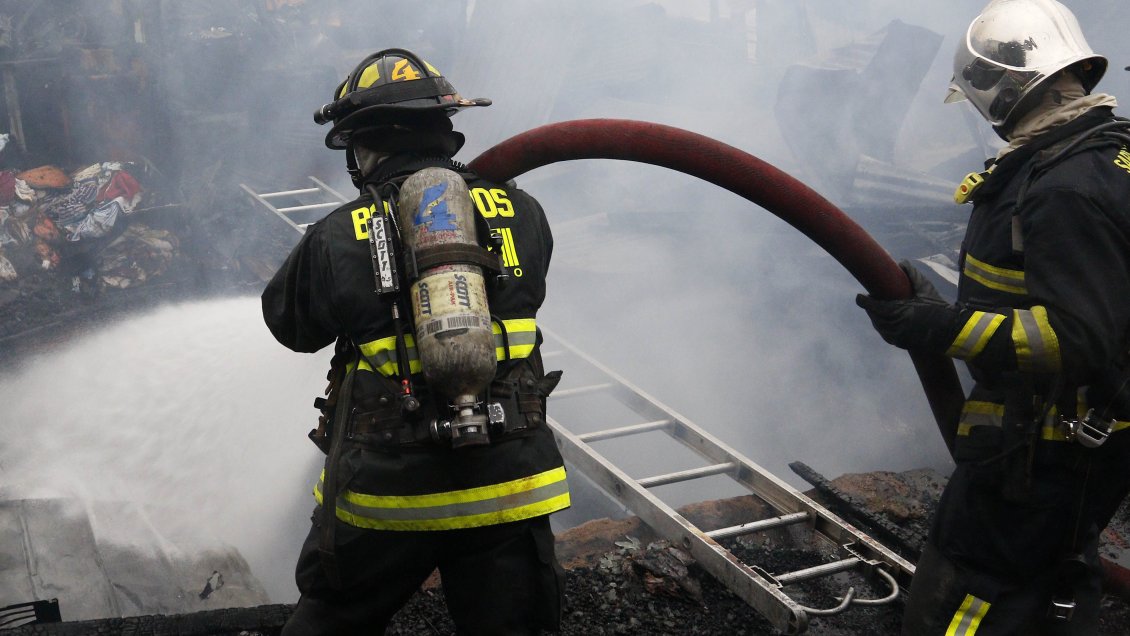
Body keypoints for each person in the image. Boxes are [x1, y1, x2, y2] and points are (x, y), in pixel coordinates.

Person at [262, 48, 571, 635]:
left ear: (362, 146)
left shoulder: (337, 234)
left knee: (332, 620)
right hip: (509, 484)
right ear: (444, 127)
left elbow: (290, 327)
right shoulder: (524, 211)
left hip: (386, 493)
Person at [855, 1, 1130, 633]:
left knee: (977, 589)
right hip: (1077, 442)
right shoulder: (1104, 154)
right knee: (1056, 573)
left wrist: (937, 329)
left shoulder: (1066, 189)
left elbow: (1074, 337)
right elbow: (1061, 292)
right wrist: (945, 310)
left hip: (1041, 448)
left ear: (1001, 92)